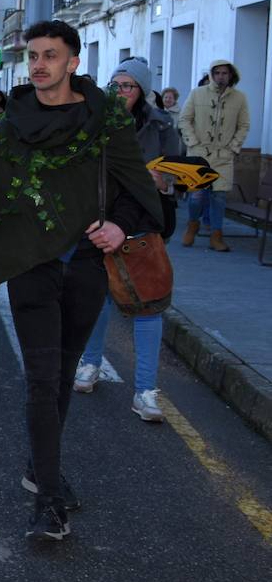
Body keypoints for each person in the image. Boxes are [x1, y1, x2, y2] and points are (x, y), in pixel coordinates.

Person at [0, 20, 162, 542]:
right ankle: (49, 498)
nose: (39, 65)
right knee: (42, 379)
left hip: (86, 263)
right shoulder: (12, 122)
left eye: (50, 55)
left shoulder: (105, 119)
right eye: (33, 56)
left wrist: (120, 224)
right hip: (31, 263)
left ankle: (38, 468)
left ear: (73, 61)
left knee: (66, 369)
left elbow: (134, 186)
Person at [74, 58, 181, 422]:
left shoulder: (161, 125)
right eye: (116, 84)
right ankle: (89, 365)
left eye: (128, 86)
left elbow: (175, 174)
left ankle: (145, 392)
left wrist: (161, 181)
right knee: (98, 301)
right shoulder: (95, 122)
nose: (120, 92)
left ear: (143, 90)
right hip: (100, 222)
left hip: (141, 228)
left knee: (148, 309)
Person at [178, 59, 250, 252]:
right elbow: (184, 119)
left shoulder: (240, 98)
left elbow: (244, 125)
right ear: (211, 74)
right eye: (217, 73)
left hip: (223, 155)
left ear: (231, 75)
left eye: (224, 73)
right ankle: (193, 225)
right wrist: (192, 142)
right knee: (196, 197)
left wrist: (234, 147)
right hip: (199, 154)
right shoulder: (197, 94)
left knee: (219, 197)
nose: (220, 77)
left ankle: (216, 236)